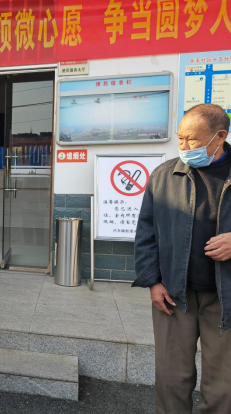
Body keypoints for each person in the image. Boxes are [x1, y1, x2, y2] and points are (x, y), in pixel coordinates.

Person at [133, 103, 231, 413]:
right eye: (180, 138)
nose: (184, 147)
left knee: (224, 385)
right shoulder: (164, 175)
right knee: (171, 378)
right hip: (174, 294)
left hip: (226, 296)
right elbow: (146, 232)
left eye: (193, 140)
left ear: (220, 137)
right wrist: (153, 282)